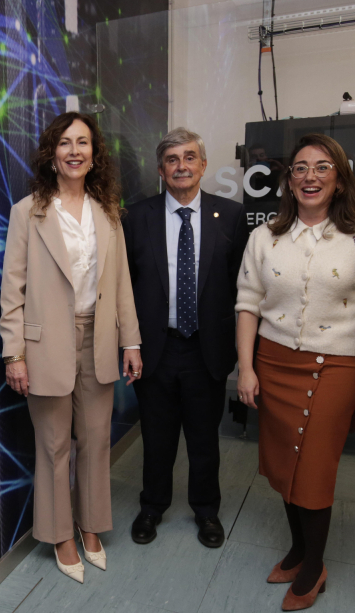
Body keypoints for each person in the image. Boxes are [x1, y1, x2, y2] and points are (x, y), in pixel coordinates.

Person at [236, 133, 355, 610]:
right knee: (287, 461)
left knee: (315, 465)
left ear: (341, 179)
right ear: (288, 181)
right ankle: (299, 548)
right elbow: (247, 305)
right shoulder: (265, 237)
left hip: (338, 366)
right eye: (301, 168)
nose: (310, 176)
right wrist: (245, 368)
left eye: (323, 167)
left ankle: (314, 565)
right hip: (274, 362)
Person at [0, 112, 143, 584]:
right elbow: (12, 289)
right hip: (45, 347)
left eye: (83, 142)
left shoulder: (108, 211)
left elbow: (121, 284)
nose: (75, 151)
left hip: (98, 339)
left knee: (97, 440)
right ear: (52, 153)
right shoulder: (29, 212)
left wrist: (132, 341)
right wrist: (13, 353)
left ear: (94, 153)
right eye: (66, 143)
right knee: (55, 445)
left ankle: (92, 526)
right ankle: (61, 534)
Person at [121, 128, 250, 549]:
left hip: (206, 349)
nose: (181, 166)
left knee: (203, 439)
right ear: (161, 170)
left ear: (203, 164)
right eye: (172, 159)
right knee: (156, 437)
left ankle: (206, 512)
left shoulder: (230, 216)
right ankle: (152, 506)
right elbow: (126, 285)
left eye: (189, 157)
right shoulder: (136, 218)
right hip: (155, 348)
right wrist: (130, 343)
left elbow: (239, 286)